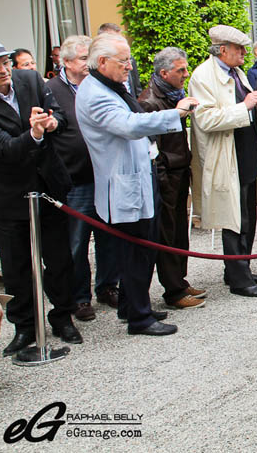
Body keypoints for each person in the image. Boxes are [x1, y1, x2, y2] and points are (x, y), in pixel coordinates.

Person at [76, 32, 197, 336]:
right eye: (123, 60)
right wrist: (175, 114)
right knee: (135, 252)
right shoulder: (94, 94)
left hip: (140, 178)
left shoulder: (111, 85)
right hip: (122, 185)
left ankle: (133, 305)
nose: (130, 66)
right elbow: (128, 125)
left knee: (143, 251)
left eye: (129, 59)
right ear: (102, 62)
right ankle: (139, 319)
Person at [0, 39, 81, 355]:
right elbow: (4, 149)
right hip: (8, 196)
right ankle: (25, 328)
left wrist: (52, 122)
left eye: (5, 62)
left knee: (59, 258)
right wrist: (34, 133)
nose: (3, 71)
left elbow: (59, 114)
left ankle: (63, 317)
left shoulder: (29, 79)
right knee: (17, 267)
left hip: (47, 188)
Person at [189, 25, 257, 298]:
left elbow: (245, 105)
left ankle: (240, 268)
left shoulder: (236, 72)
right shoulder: (203, 76)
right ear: (223, 49)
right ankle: (239, 279)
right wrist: (246, 105)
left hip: (246, 152)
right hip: (227, 157)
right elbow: (205, 119)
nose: (244, 53)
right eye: (239, 49)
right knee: (233, 217)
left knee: (248, 214)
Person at [45, 35, 119, 322]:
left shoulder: (100, 84)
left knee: (108, 237)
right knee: (76, 242)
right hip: (74, 179)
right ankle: (79, 298)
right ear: (64, 62)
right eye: (80, 59)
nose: (86, 63)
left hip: (103, 173)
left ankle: (108, 287)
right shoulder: (51, 89)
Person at [138, 47, 206, 310]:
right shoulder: (150, 101)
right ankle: (173, 290)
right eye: (181, 70)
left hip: (179, 171)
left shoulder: (175, 96)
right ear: (164, 72)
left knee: (179, 231)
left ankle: (180, 279)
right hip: (166, 176)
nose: (185, 75)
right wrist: (163, 178)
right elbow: (151, 147)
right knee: (167, 234)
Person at [97, 23, 142, 99]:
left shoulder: (130, 59)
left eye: (120, 39)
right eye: (115, 40)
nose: (129, 67)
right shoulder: (96, 70)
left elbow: (137, 89)